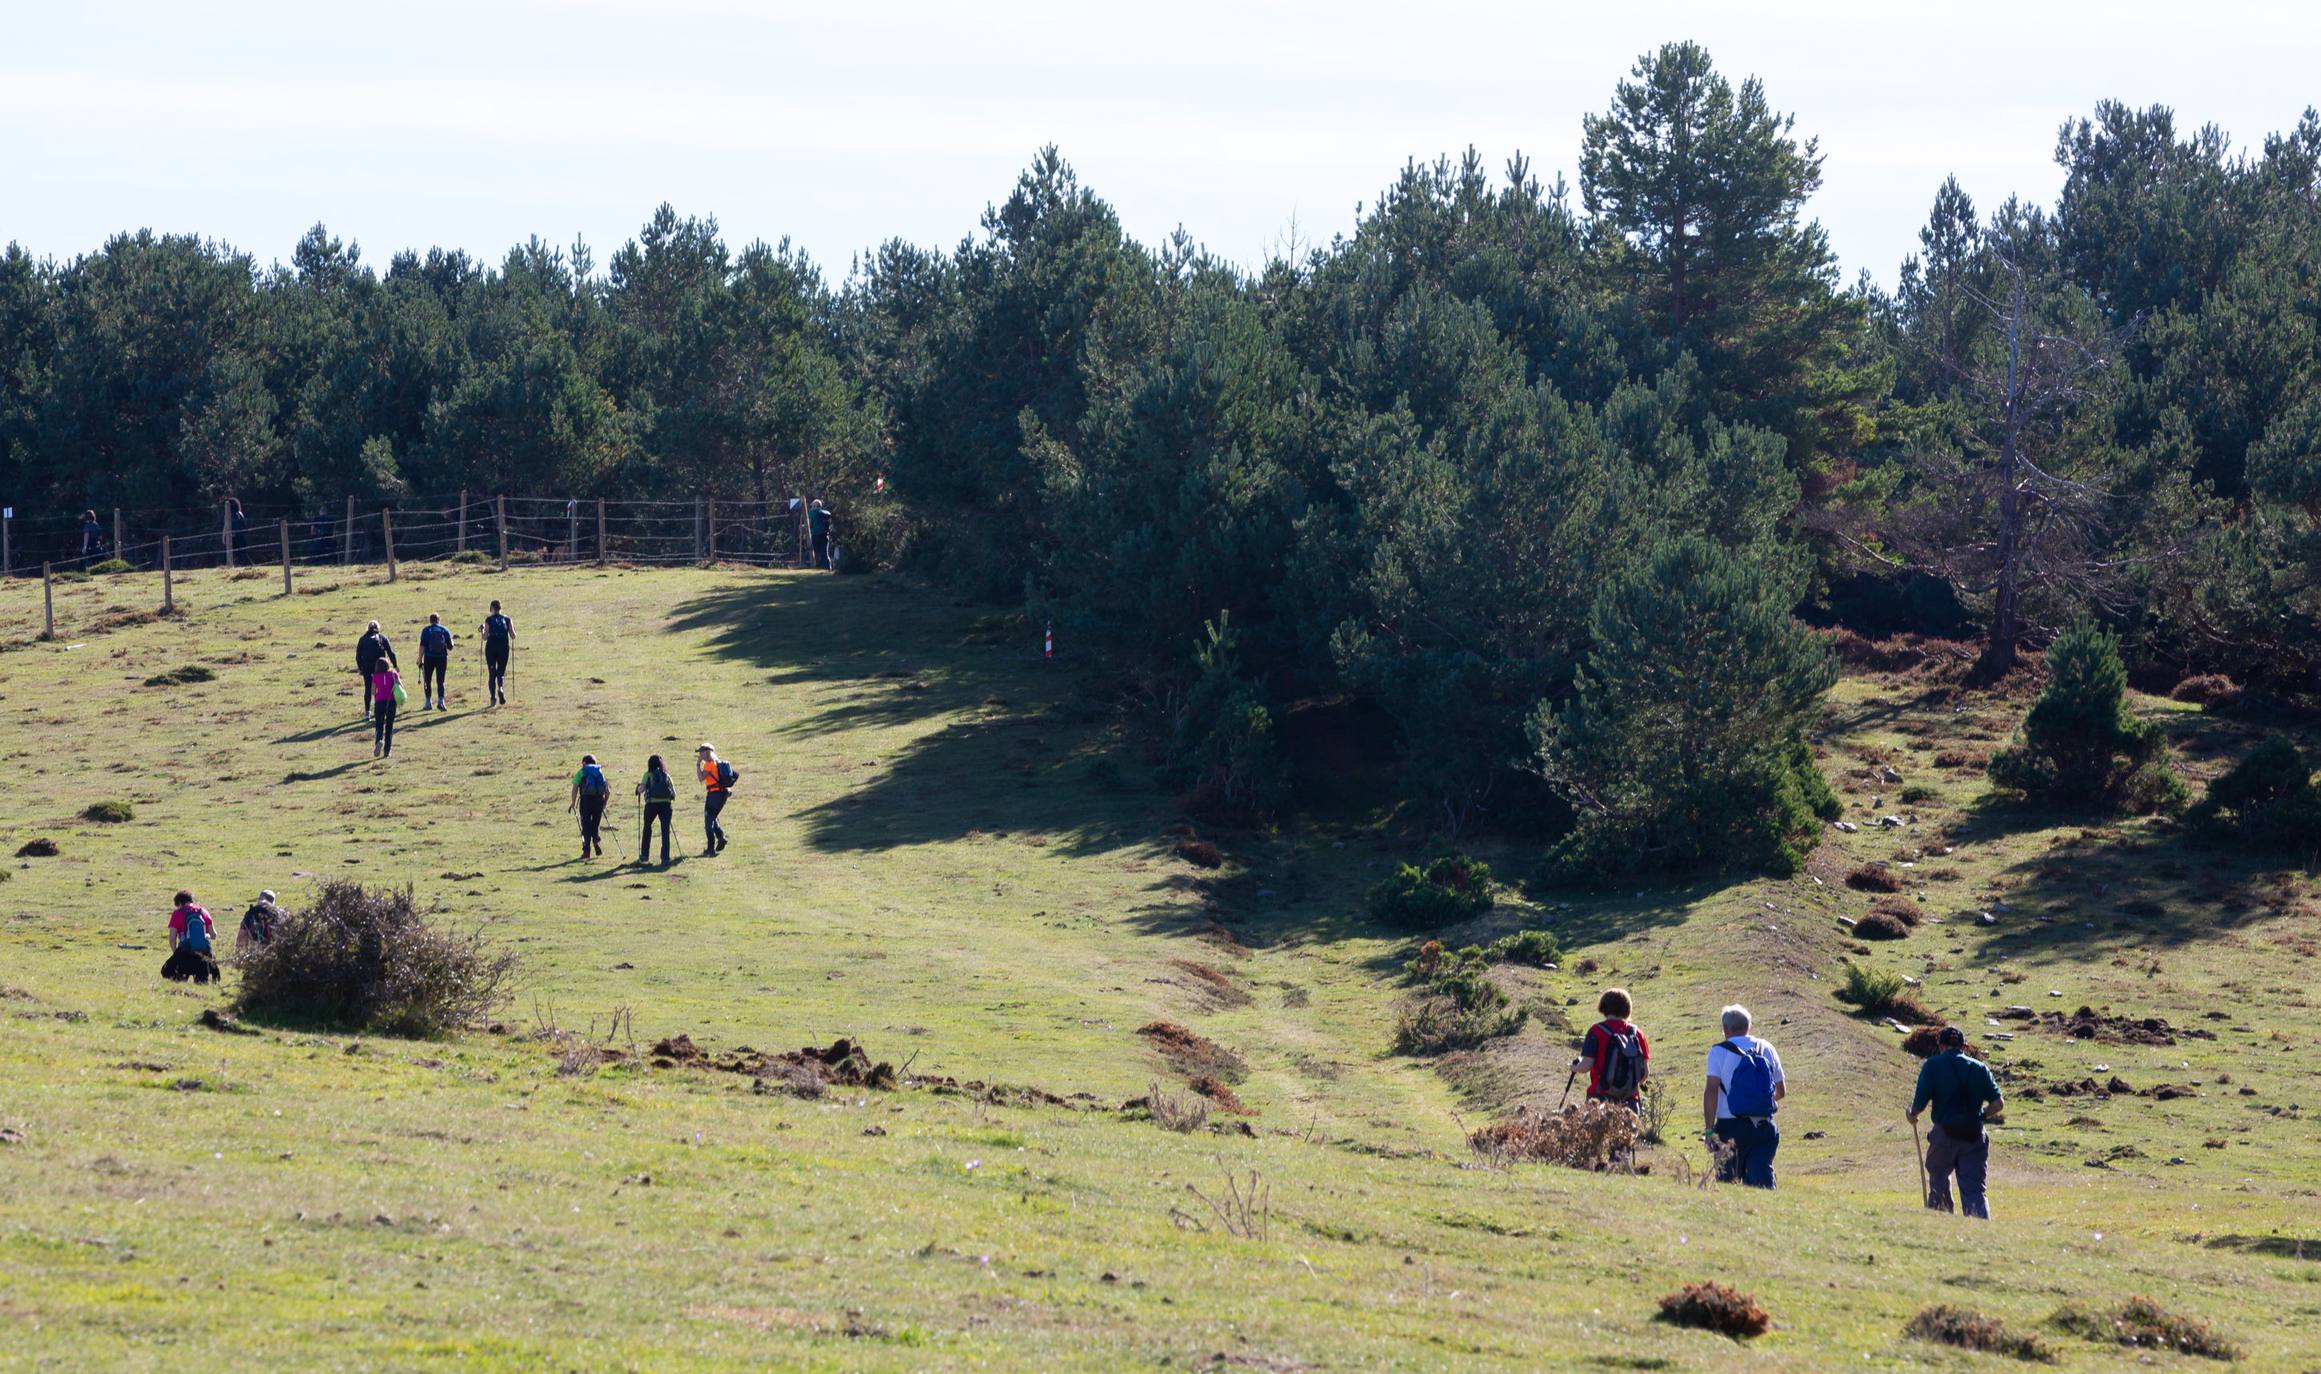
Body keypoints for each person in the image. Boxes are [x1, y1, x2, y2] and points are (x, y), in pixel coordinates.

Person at [1909, 1026, 2004, 1219]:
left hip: (1944, 1135)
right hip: (1974, 1136)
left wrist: (1912, 1113)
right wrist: (1981, 1115)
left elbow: (1920, 1103)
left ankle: (1941, 1227)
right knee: (1974, 1190)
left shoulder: (1933, 1065)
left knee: (1939, 1184)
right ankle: (1980, 1233)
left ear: (1941, 1046)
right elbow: (1998, 1104)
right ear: (1963, 1046)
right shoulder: (1980, 1068)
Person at [1704, 1004, 1786, 1189]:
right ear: (1748, 1026)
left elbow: (1711, 1091)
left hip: (1728, 1127)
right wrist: (1757, 1102)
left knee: (1726, 1184)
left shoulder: (1718, 1051)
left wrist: (1709, 1131)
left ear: (1725, 1029)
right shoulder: (1766, 1048)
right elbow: (1781, 1091)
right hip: (1762, 1126)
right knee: (1761, 1183)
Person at [1576, 987, 1651, 1110]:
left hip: (1599, 1099)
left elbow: (1585, 1066)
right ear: (1628, 1009)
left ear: (1603, 1007)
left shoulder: (1596, 1031)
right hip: (1631, 1103)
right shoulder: (1637, 1034)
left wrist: (1574, 1067)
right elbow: (1644, 1074)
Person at [161, 890, 219, 983]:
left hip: (185, 953)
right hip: (203, 955)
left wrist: (176, 954)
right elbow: (213, 935)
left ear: (179, 903)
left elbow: (172, 939)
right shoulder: (203, 912)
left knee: (170, 974)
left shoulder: (177, 913)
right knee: (202, 984)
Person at [568, 754, 612, 859]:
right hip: (599, 800)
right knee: (595, 824)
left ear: (584, 763)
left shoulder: (581, 772)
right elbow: (608, 790)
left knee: (586, 825)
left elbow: (575, 789)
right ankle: (596, 840)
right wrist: (604, 802)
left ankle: (586, 851)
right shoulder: (599, 772)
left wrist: (573, 803)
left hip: (586, 801)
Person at [636, 754, 676, 865]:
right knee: (665, 831)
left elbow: (641, 789)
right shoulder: (667, 776)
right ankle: (665, 858)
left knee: (647, 828)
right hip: (666, 805)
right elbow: (674, 793)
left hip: (651, 805)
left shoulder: (648, 775)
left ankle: (644, 855)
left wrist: (638, 788)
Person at [355, 620, 398, 721]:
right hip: (381, 667)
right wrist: (395, 665)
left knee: (368, 689)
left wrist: (361, 668)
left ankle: (367, 712)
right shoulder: (382, 638)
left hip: (367, 668)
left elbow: (357, 656)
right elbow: (391, 652)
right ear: (378, 628)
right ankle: (382, 709)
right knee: (383, 687)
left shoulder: (362, 639)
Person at [696, 743, 734, 855]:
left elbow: (701, 778)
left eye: (701, 752)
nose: (699, 754)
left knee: (708, 821)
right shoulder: (718, 761)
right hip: (723, 794)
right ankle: (721, 837)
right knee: (713, 817)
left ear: (706, 751)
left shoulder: (709, 764)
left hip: (714, 794)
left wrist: (698, 764)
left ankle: (710, 849)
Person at [480, 600, 514, 706]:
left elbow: (485, 637)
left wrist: (481, 630)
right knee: (501, 672)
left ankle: (493, 699)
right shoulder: (507, 619)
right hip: (503, 648)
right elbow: (513, 635)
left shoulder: (489, 620)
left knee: (492, 673)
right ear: (500, 608)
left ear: (491, 608)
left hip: (491, 648)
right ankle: (501, 688)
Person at [418, 613, 454, 710]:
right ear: (439, 620)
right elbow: (450, 647)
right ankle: (441, 701)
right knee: (440, 681)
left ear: (430, 620)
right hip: (442, 658)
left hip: (429, 657)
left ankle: (428, 702)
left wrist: (420, 659)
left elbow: (422, 646)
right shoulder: (444, 630)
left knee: (427, 680)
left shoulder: (426, 630)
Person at [370, 659, 402, 758]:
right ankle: (387, 751)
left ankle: (379, 741)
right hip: (391, 702)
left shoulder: (375, 676)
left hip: (379, 703)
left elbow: (373, 691)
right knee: (389, 727)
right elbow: (400, 686)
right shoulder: (393, 674)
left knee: (379, 725)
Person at [808, 499, 832, 570]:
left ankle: (818, 567)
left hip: (815, 535)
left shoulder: (812, 513)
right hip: (825, 535)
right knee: (824, 552)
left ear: (814, 505)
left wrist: (802, 527)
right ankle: (828, 567)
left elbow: (810, 524)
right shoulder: (824, 513)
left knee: (816, 552)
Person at [228, 497, 249, 563]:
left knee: (236, 554)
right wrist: (235, 499)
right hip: (242, 536)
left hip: (234, 537)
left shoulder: (229, 515)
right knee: (242, 553)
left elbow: (227, 527)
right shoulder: (240, 514)